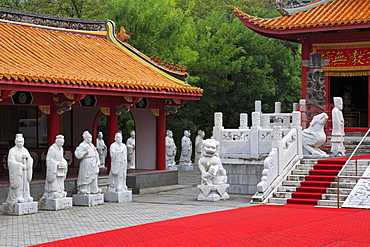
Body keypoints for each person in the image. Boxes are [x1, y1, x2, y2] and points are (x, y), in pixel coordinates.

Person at [6, 133, 34, 204]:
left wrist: (28, 159)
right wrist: (20, 165)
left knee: (26, 184)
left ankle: (26, 196)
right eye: (19, 142)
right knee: (19, 185)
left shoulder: (25, 150)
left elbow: (31, 159)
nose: (20, 144)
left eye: (22, 142)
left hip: (25, 171)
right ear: (15, 142)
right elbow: (10, 162)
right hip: (18, 172)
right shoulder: (12, 150)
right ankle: (17, 197)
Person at [43, 135, 68, 199]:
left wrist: (64, 162)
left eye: (63, 143)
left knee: (60, 180)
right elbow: (49, 159)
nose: (61, 144)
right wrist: (56, 163)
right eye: (60, 143)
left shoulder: (61, 148)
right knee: (54, 180)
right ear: (57, 142)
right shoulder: (52, 148)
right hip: (54, 167)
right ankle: (53, 191)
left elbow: (61, 158)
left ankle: (60, 190)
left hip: (59, 167)